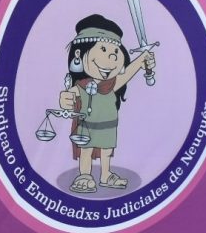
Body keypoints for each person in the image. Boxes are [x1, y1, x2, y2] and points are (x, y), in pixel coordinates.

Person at [58, 14, 156, 194]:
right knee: (86, 150)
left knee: (106, 151)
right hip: (86, 127)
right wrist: (65, 99)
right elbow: (68, 96)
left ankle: (106, 175)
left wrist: (142, 60)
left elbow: (126, 74)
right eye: (103, 49)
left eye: (116, 53)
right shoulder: (81, 86)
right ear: (79, 54)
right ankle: (85, 175)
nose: (111, 58)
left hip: (109, 126)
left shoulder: (111, 85)